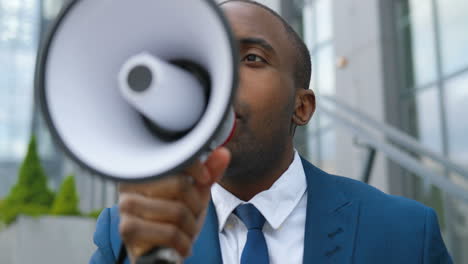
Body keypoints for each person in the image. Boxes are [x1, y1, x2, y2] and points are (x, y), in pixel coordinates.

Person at [90, 1, 452, 263]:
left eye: (251, 59)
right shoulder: (125, 236)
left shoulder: (406, 233)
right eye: (207, 61)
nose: (222, 79)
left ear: (302, 107)